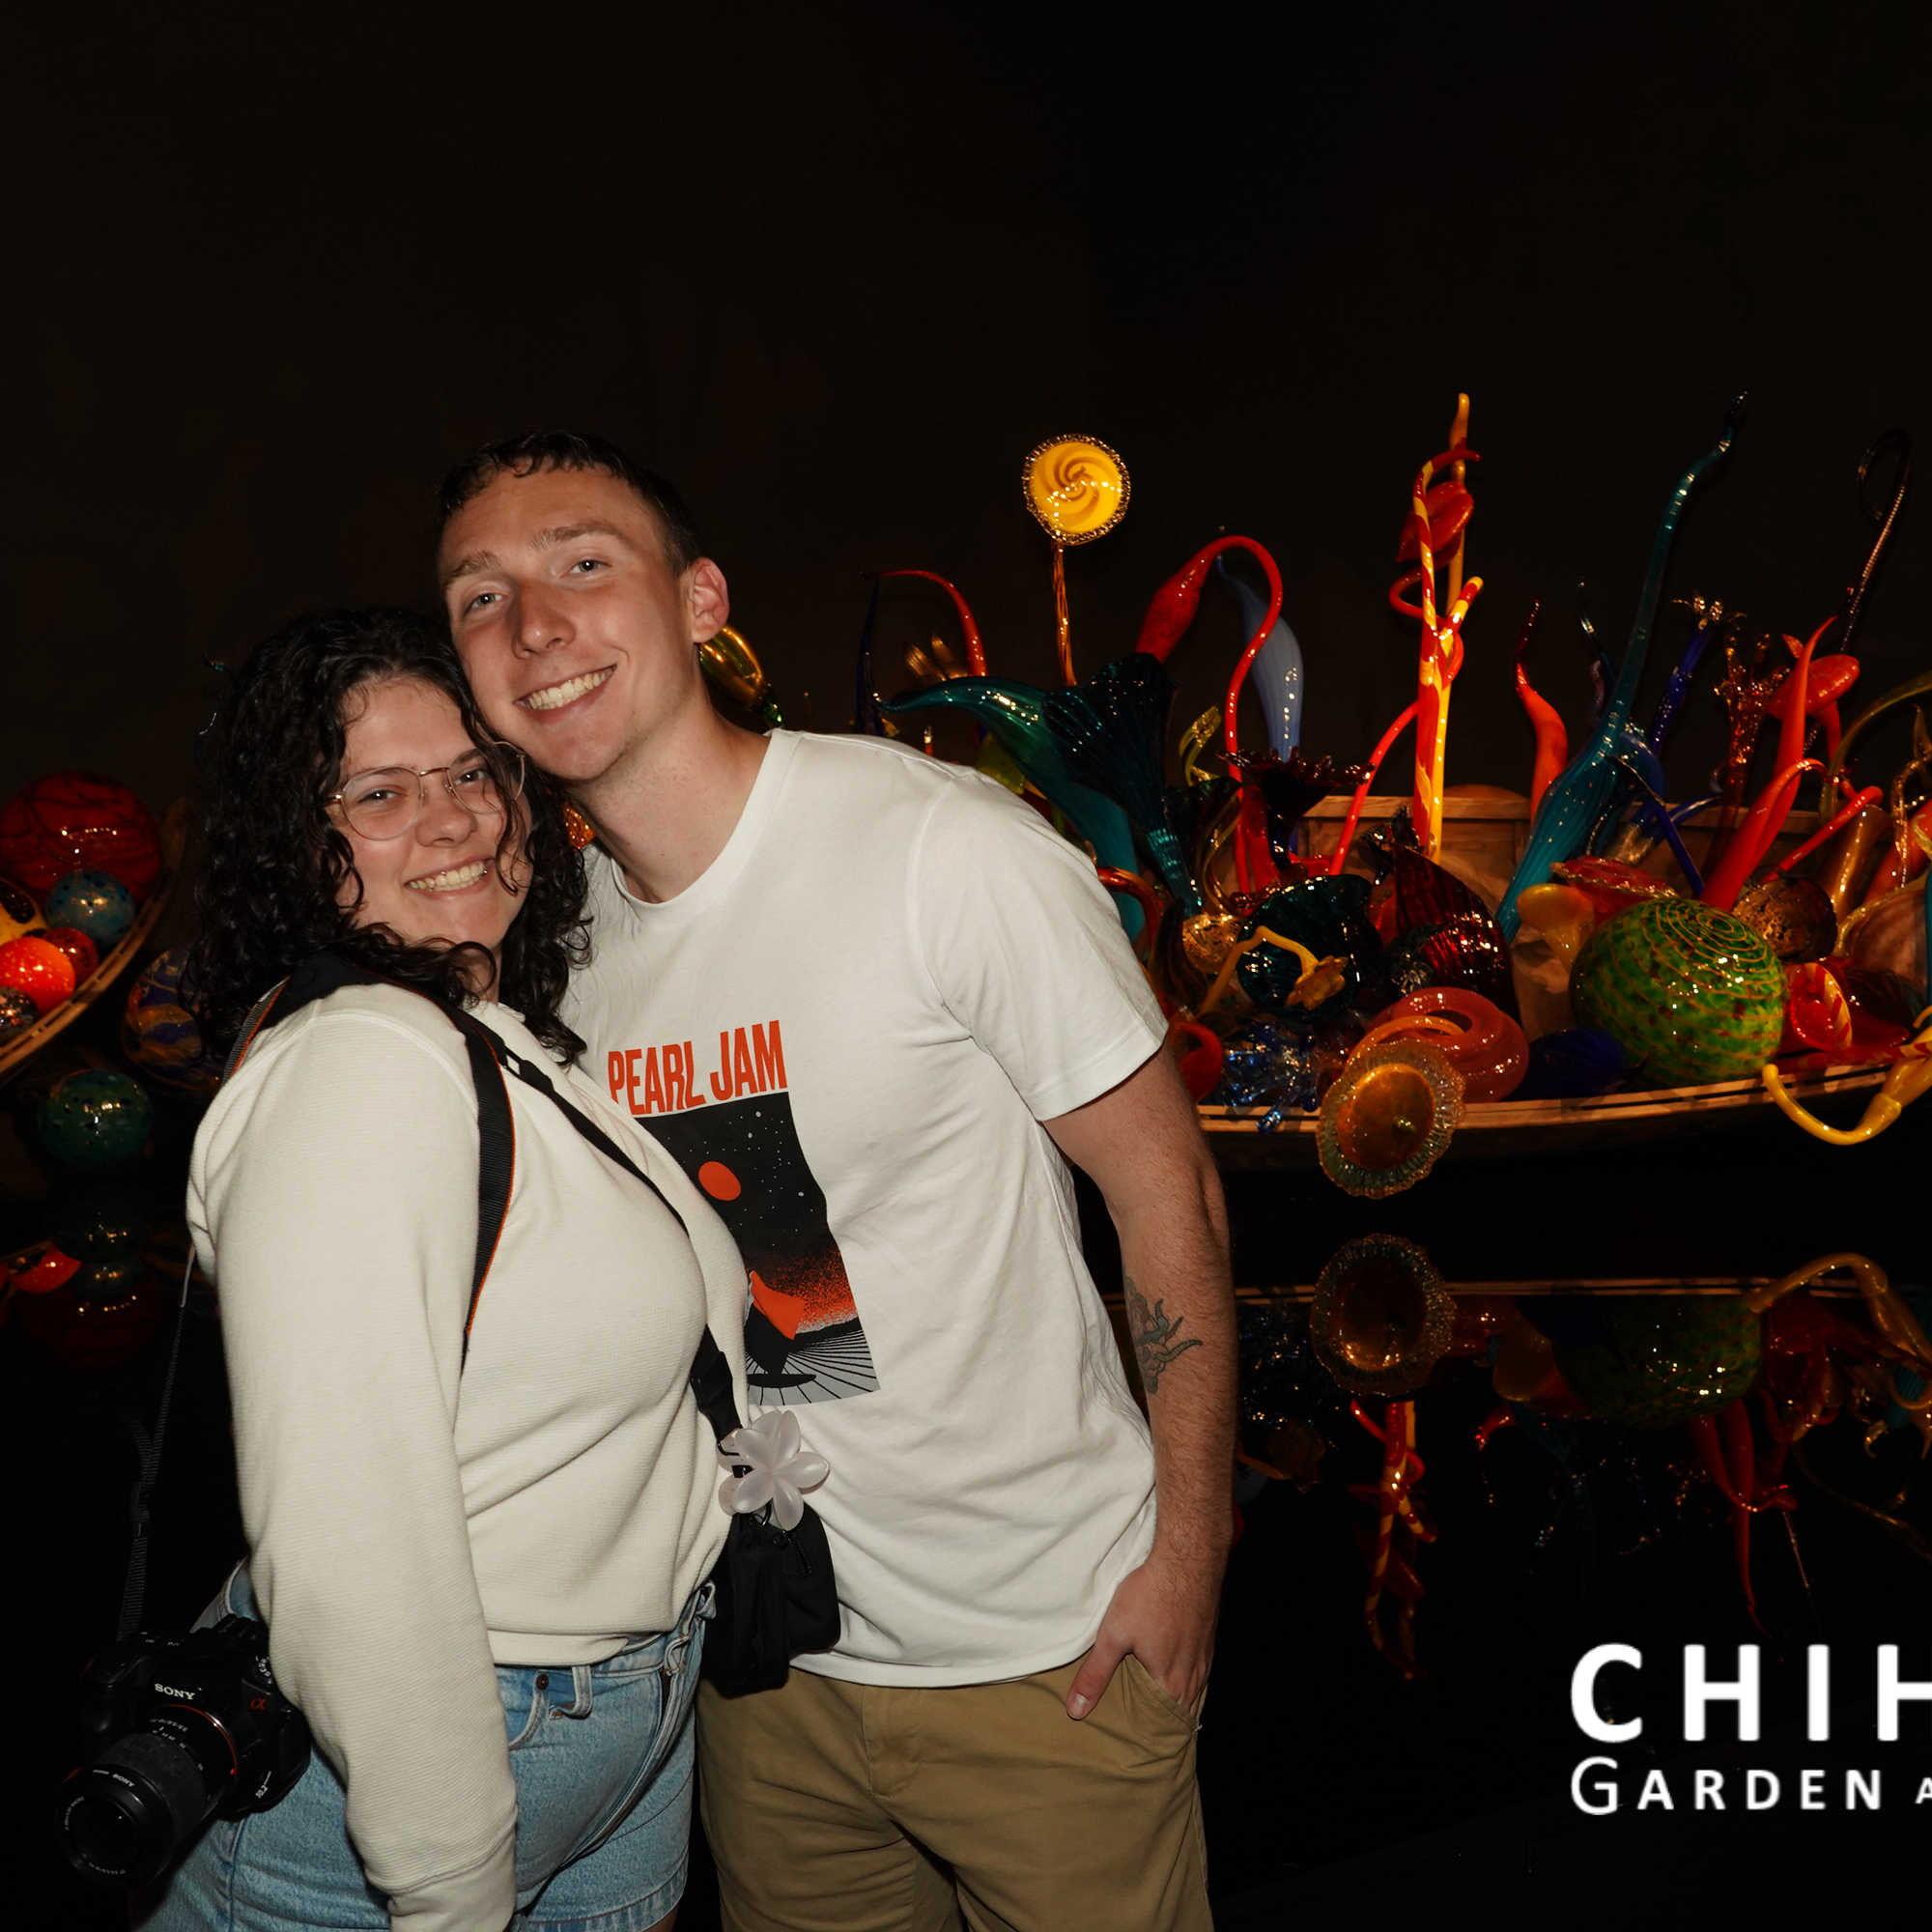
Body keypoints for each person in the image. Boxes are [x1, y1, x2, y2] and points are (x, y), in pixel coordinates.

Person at [439, 434, 1236, 1931]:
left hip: (1049, 1656)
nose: (534, 624)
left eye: (584, 564)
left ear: (701, 602)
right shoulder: (555, 950)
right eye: (482, 596)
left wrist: (1191, 1551)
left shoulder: (944, 852)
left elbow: (1166, 1195)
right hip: (764, 1674)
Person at [147, 608, 749, 1932]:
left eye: (474, 772)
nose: (455, 818)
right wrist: (443, 1863)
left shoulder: (489, 1036)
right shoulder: (361, 1063)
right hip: (442, 1759)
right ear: (296, 842)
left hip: (612, 1717)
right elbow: (345, 1529)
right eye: (379, 794)